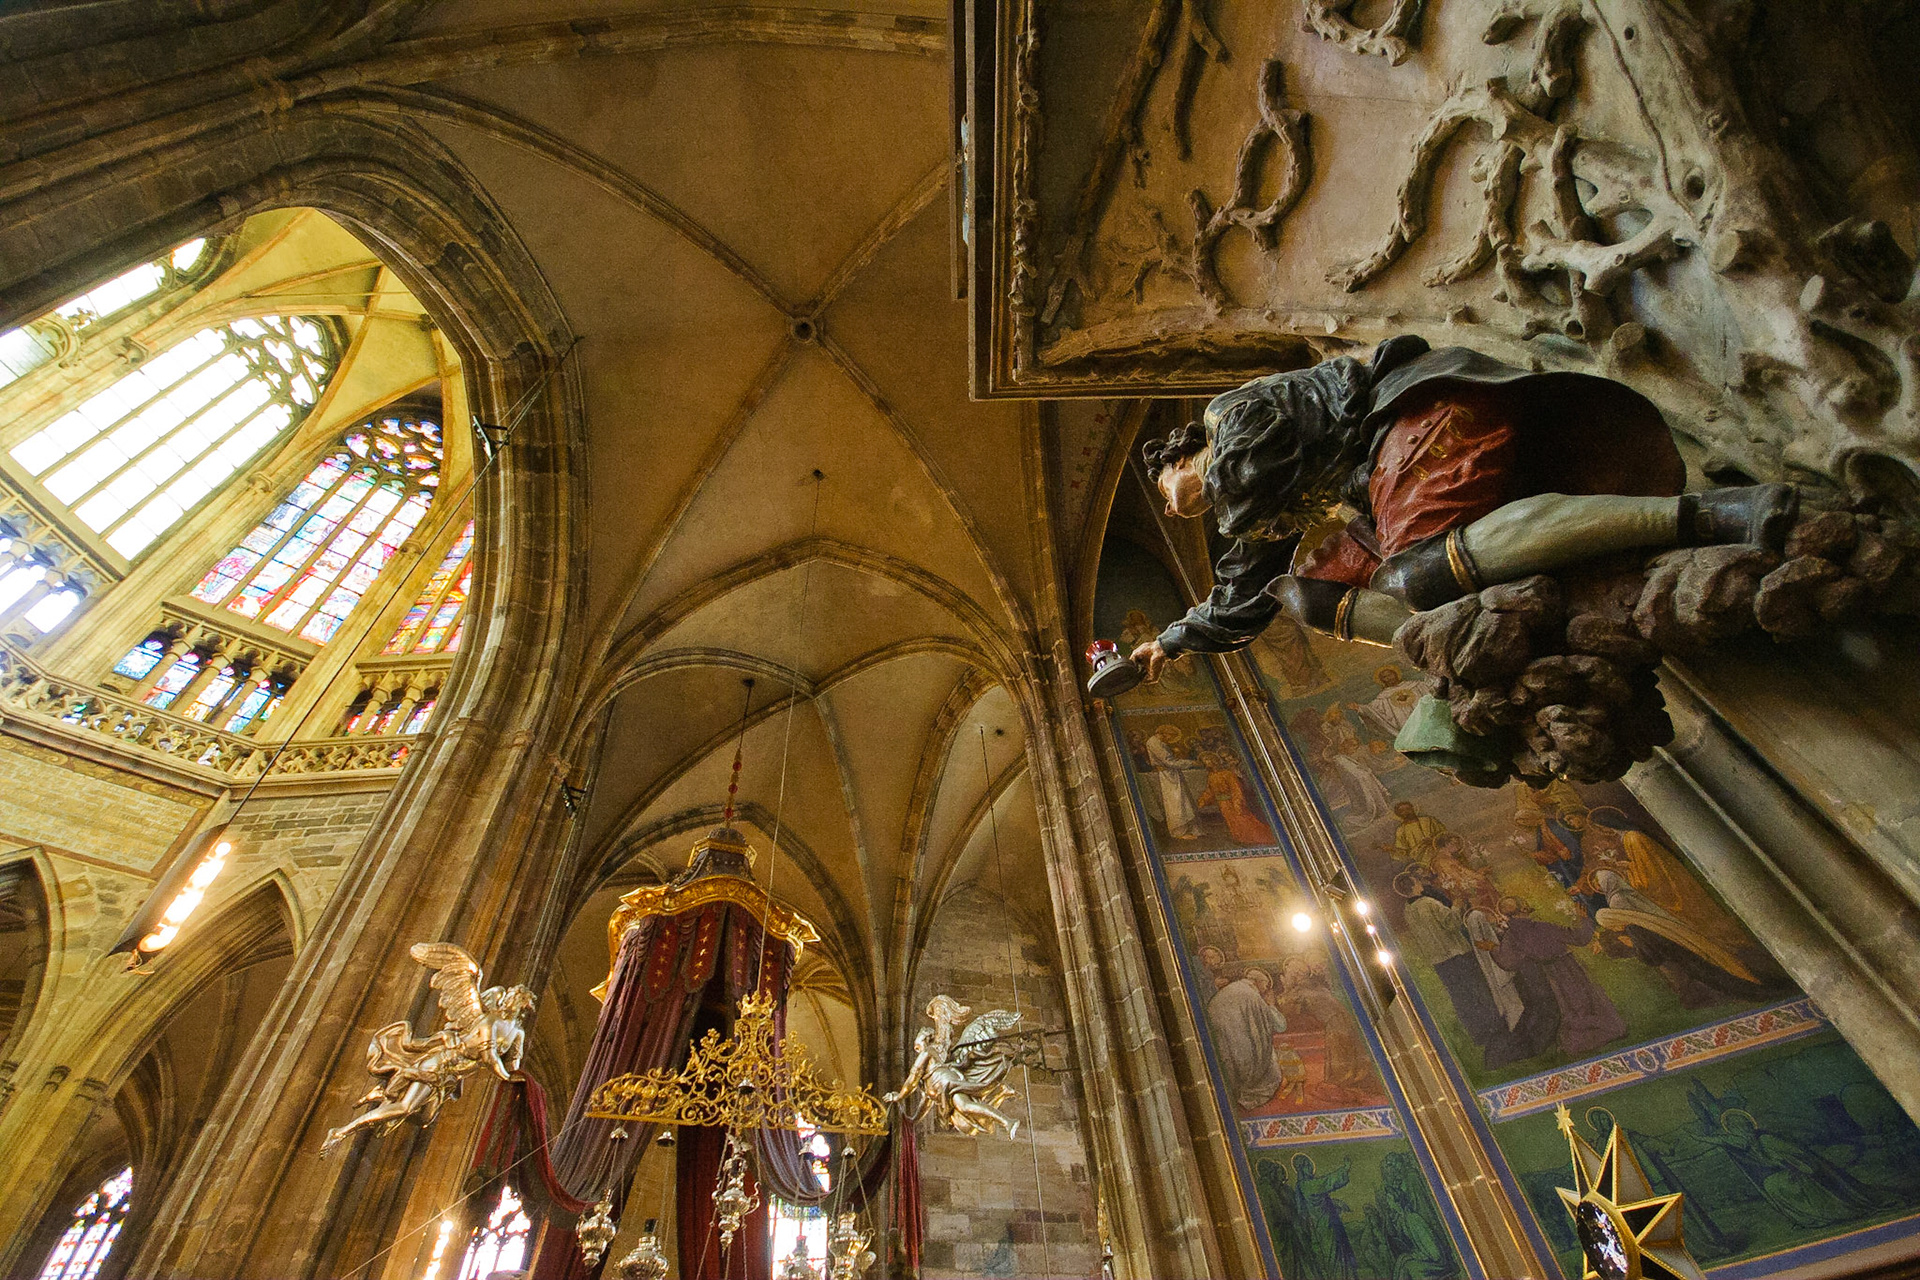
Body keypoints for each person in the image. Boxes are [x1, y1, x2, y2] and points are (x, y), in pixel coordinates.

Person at [1127, 336, 1798, 672]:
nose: (1178, 512)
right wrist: (1170, 641)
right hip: (1388, 472)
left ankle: (1713, 514)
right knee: (1317, 587)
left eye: (1169, 494)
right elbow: (1245, 591)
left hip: (1420, 411)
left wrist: (1237, 517)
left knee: (1415, 571)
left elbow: (1253, 471)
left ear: (1184, 456)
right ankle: (1492, 643)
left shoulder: (1228, 419)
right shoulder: (1261, 501)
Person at [1490, 897, 1627, 1060]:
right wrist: (1584, 920)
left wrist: (1494, 949)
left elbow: (1508, 962)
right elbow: (1579, 938)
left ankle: (1577, 1041)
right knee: (1583, 1000)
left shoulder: (1511, 936)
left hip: (1547, 975)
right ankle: (1598, 1034)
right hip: (1566, 967)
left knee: (1567, 1005)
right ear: (1523, 910)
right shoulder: (1541, 927)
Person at [1395, 868, 1511, 1053]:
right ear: (1414, 886)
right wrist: (1456, 905)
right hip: (1457, 954)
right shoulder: (1429, 903)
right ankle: (1498, 1028)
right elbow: (1451, 923)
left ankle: (1478, 1034)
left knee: (1460, 997)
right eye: (1417, 881)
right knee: (1478, 991)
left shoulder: (1408, 910)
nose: (1420, 883)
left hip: (1439, 961)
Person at [1207, 969, 1306, 1111]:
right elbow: (1280, 1025)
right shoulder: (1253, 996)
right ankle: (1248, 1093)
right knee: (1271, 1072)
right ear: (1258, 982)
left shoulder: (1227, 991)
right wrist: (1271, 1005)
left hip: (1218, 1044)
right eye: (1266, 985)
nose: (1266, 990)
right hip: (1242, 1049)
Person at [1197, 751, 1278, 846]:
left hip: (1232, 802)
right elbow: (1210, 791)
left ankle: (1260, 838)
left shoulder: (1228, 774)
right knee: (1232, 822)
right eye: (1205, 760)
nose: (1207, 762)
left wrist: (1237, 803)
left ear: (1214, 760)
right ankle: (1241, 839)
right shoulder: (1211, 776)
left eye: (1208, 759)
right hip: (1223, 804)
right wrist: (1201, 801)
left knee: (1243, 820)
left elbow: (1236, 789)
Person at [1146, 725, 1205, 840]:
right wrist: (1191, 763)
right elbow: (1169, 762)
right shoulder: (1154, 742)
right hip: (1167, 775)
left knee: (1183, 800)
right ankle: (1179, 832)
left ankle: (1191, 829)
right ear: (1164, 733)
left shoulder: (1160, 742)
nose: (1170, 739)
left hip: (1171, 773)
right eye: (1171, 736)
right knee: (1176, 802)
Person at [1352, 665, 1424, 741]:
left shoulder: (1415, 685)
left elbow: (1428, 690)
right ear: (1382, 680)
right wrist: (1359, 708)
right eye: (1384, 677)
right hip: (1407, 727)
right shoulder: (1383, 696)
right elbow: (1372, 710)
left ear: (1396, 674)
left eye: (1390, 674)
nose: (1388, 678)